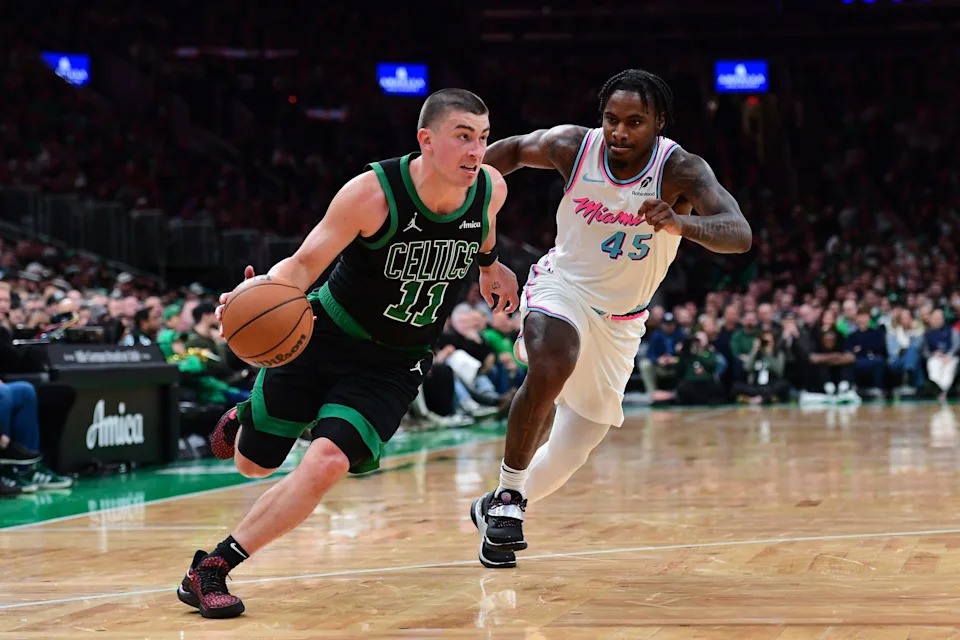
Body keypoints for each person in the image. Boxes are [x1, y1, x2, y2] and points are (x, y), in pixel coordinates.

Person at [175, 88, 519, 618]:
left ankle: (212, 568)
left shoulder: (489, 188)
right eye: (464, 137)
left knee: (328, 459)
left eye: (484, 138)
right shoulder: (372, 194)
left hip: (393, 363)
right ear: (426, 140)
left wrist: (492, 265)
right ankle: (246, 415)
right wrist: (257, 291)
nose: (477, 151)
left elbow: (485, 232)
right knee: (250, 464)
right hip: (324, 334)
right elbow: (305, 261)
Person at [472, 68, 751, 568]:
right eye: (611, 119)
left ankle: (493, 505)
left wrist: (680, 221)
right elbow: (510, 152)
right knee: (552, 361)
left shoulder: (680, 169)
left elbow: (738, 232)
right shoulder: (572, 147)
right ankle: (511, 498)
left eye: (634, 122)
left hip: (622, 321)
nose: (620, 132)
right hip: (563, 287)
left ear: (659, 122)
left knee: (572, 451)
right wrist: (462, 194)